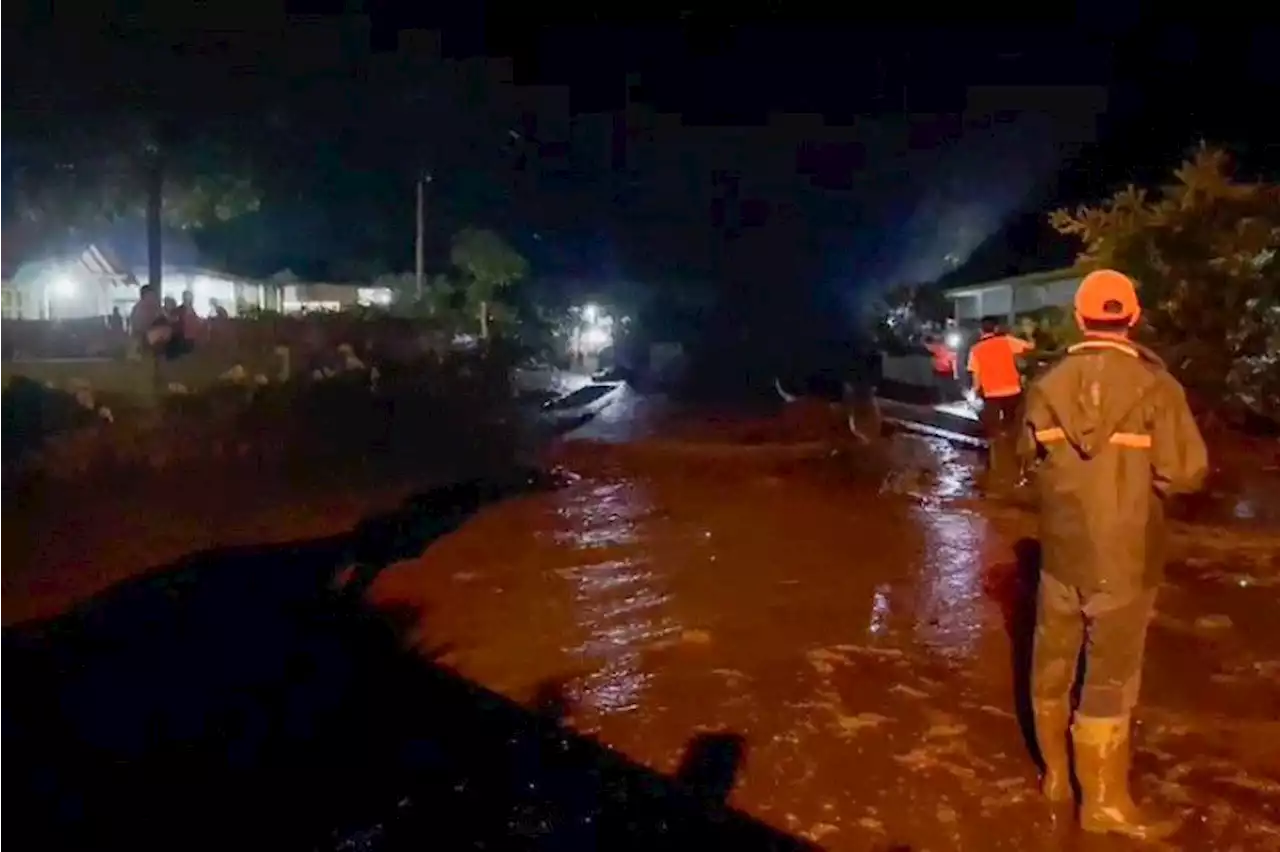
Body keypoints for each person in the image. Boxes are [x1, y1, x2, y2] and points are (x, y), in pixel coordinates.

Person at [1017, 269, 1208, 840]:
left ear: (1079, 319)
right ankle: (1102, 803)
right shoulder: (1157, 387)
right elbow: (1188, 472)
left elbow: (1023, 462)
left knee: (1050, 663)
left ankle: (1055, 777)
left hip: (1062, 556)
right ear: (1133, 316)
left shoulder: (1047, 385)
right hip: (1126, 557)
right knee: (1109, 678)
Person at [967, 319, 1032, 483]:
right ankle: (1016, 460)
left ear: (981, 331)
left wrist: (973, 393)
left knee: (993, 430)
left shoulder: (975, 350)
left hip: (991, 394)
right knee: (1013, 427)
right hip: (1013, 391)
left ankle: (998, 464)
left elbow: (976, 378)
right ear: (995, 328)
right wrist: (1029, 333)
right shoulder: (1007, 341)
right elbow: (1029, 347)